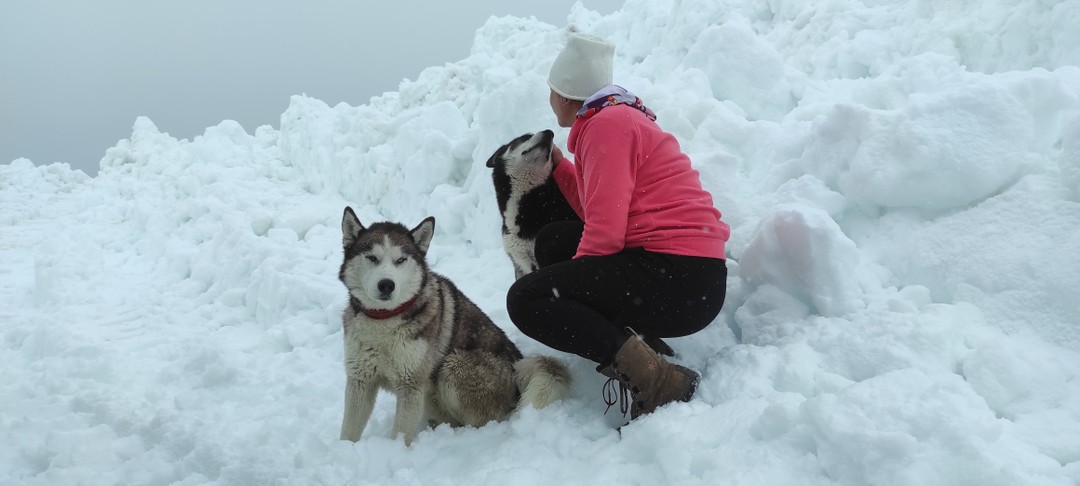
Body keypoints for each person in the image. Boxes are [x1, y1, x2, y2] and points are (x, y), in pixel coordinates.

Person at [505, 32, 730, 420]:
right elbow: (600, 211)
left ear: (565, 95)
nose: (549, 99)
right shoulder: (615, 118)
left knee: (526, 300)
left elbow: (605, 232)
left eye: (551, 91)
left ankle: (659, 381)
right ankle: (637, 346)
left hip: (680, 280)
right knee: (555, 241)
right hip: (686, 275)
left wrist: (576, 290)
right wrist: (561, 167)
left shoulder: (607, 126)